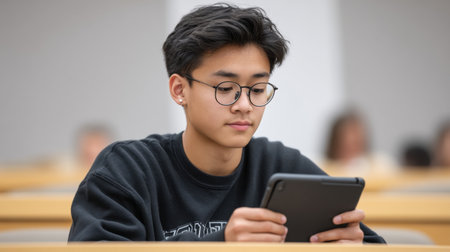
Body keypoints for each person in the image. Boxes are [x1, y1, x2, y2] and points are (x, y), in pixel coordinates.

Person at [68, 3, 385, 243]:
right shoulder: (126, 172)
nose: (245, 105)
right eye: (226, 89)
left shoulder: (282, 166)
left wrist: (351, 245)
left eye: (258, 89)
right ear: (180, 90)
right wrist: (221, 245)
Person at [321, 110, 396, 177]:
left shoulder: (380, 165)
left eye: (356, 144)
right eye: (345, 146)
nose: (350, 149)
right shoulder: (322, 168)